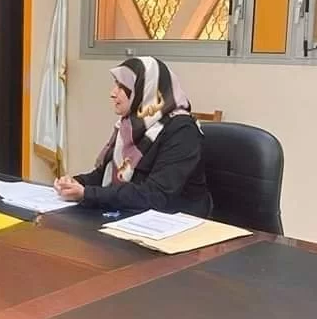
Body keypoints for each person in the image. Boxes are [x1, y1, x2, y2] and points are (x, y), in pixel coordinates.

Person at [54, 56, 212, 217]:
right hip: (132, 215)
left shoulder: (182, 130)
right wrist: (76, 183)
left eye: (122, 87)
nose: (112, 93)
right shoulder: (129, 125)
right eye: (115, 84)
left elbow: (156, 195)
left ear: (145, 89)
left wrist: (87, 194)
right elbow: (105, 175)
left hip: (174, 221)